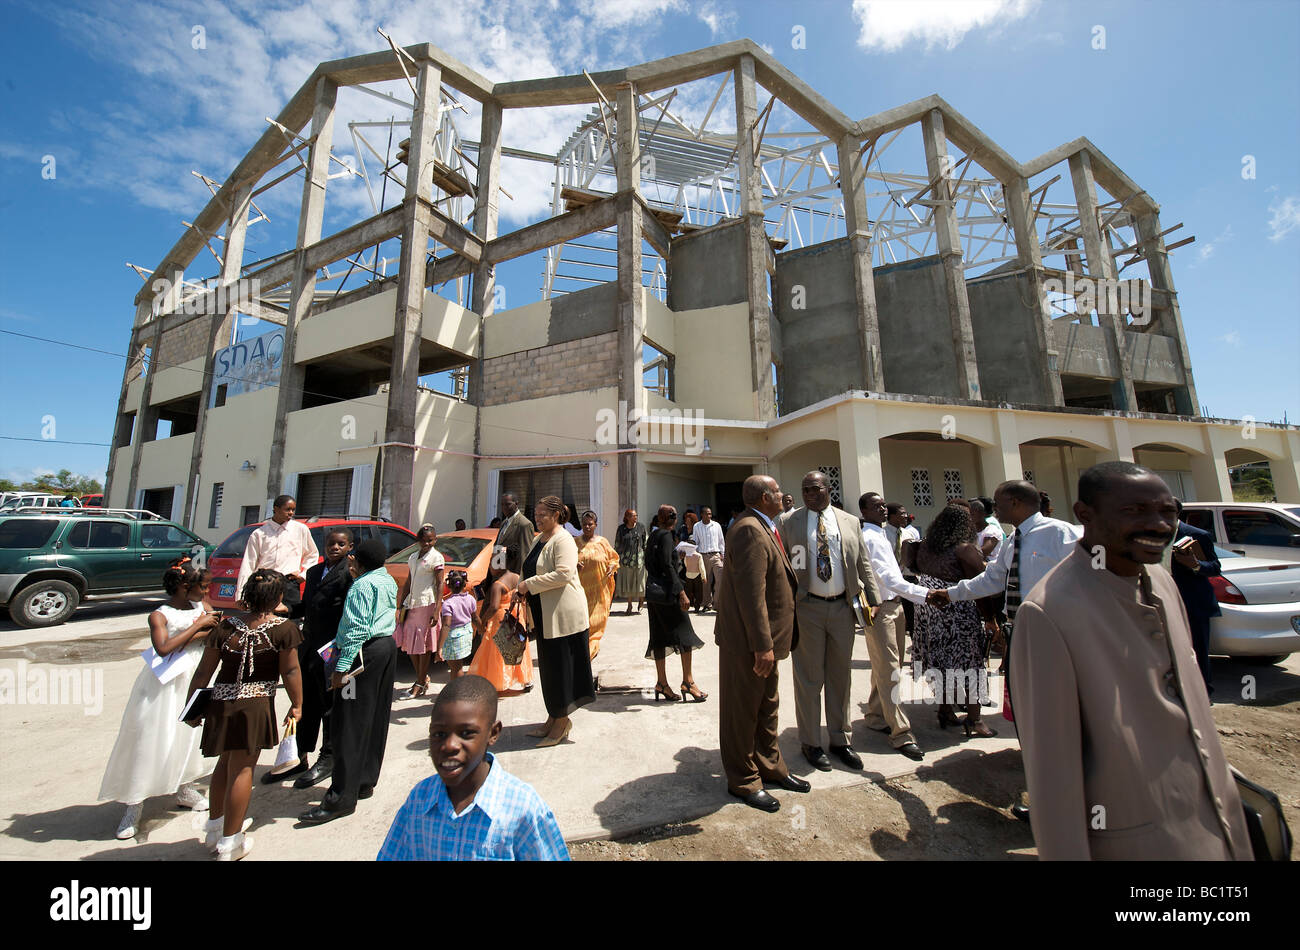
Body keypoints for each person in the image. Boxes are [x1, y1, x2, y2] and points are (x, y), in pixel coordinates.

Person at [1012, 462, 1251, 860]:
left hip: (1217, 828)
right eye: (1135, 511)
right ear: (1084, 514)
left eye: (1167, 512)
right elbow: (1053, 772)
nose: (1158, 525)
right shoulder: (1048, 612)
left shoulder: (1161, 580)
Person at [928, 479, 1082, 821]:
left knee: (1061, 717)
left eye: (998, 503)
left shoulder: (1060, 534)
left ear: (1015, 502)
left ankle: (1073, 797)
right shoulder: (1015, 540)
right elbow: (992, 580)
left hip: (1058, 636)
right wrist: (951, 594)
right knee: (1033, 715)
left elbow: (1087, 580)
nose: (992, 510)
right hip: (1024, 635)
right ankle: (1046, 792)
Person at [377, 675, 569, 860]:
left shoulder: (523, 809)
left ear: (493, 733)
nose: (450, 745)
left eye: (467, 733)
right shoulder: (420, 800)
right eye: (439, 734)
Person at [186, 569, 303, 860]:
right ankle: (230, 842)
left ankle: (215, 827)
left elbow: (203, 672)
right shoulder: (283, 629)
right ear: (277, 598)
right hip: (254, 706)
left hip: (221, 704)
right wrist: (297, 703)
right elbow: (290, 670)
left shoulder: (225, 627)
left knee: (224, 765)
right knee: (242, 770)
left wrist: (191, 706)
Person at [100, 560, 220, 839]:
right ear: (182, 588)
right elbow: (164, 647)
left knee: (187, 734)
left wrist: (205, 627)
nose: (206, 593)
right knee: (150, 737)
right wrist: (198, 627)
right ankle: (134, 803)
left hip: (194, 675)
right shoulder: (160, 614)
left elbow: (212, 630)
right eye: (201, 588)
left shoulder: (202, 607)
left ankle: (185, 786)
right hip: (163, 683)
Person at [714, 474, 809, 813]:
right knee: (742, 711)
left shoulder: (763, 524)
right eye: (778, 490)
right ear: (764, 497)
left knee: (767, 706)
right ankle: (743, 779)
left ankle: (770, 766)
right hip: (749, 643)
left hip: (765, 641)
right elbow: (750, 595)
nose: (784, 494)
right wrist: (761, 645)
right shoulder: (750, 530)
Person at [780, 473, 881, 772]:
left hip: (842, 608)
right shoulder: (789, 522)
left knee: (840, 676)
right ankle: (811, 742)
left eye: (816, 489)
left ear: (828, 489)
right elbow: (785, 564)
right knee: (809, 679)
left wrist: (873, 599)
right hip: (807, 608)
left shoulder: (849, 521)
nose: (810, 494)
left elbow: (863, 561)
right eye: (805, 489)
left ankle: (841, 739)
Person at [299, 539, 398, 825]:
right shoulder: (385, 579)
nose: (349, 560)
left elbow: (355, 631)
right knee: (374, 716)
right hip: (385, 649)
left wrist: (341, 670)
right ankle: (364, 780)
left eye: (352, 557)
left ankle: (340, 797)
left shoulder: (361, 587)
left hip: (361, 656)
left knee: (349, 722)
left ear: (358, 560)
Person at [265, 528, 353, 787]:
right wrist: (288, 609)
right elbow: (308, 605)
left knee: (330, 705)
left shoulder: (349, 574)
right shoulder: (314, 573)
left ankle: (328, 757)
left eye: (341, 544)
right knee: (304, 702)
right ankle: (298, 755)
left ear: (350, 547)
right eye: (330, 543)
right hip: (309, 645)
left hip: (332, 648)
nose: (334, 547)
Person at [910, 505, 999, 737]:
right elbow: (980, 588)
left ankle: (945, 711)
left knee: (940, 662)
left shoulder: (926, 546)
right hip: (955, 612)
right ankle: (975, 719)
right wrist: (990, 619)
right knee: (970, 663)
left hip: (928, 612)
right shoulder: (964, 550)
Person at [516, 495, 594, 747]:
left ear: (557, 515)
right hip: (544, 614)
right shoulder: (540, 538)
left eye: (542, 515)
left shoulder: (564, 540)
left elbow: (563, 574)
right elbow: (530, 566)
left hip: (563, 617)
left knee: (561, 670)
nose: (537, 519)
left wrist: (528, 585)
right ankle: (554, 717)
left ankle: (562, 723)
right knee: (550, 670)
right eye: (536, 515)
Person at [859, 493, 933, 759]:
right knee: (889, 666)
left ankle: (877, 714)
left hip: (896, 605)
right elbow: (887, 577)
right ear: (864, 511)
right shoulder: (868, 537)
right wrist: (923, 594)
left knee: (890, 663)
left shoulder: (880, 534)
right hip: (881, 609)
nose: (882, 509)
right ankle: (900, 732)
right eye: (876, 506)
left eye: (882, 505)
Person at [643, 505, 706, 702]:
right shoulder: (668, 536)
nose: (673, 518)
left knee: (659, 637)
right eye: (672, 515)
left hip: (653, 594)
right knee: (685, 635)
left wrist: (674, 559)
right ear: (667, 519)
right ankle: (688, 682)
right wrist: (681, 592)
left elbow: (652, 562)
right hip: (668, 594)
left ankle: (662, 683)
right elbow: (668, 566)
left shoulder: (653, 536)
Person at [1169, 497, 1222, 694]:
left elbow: (1215, 568)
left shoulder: (1196, 535)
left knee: (1198, 650)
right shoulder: (1152, 537)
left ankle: (1203, 692)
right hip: (1164, 601)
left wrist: (1195, 565)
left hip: (1193, 603)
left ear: (1176, 513)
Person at [236, 495, 317, 614]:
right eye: (287, 509)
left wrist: (302, 574)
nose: (290, 513)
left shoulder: (300, 529)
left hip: (289, 584)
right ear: (276, 509)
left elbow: (312, 554)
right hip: (265, 585)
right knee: (263, 620)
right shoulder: (260, 534)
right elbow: (248, 564)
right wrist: (241, 596)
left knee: (289, 622)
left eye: (293, 510)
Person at [468, 547, 534, 694]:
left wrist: (482, 620)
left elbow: (493, 607)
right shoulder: (517, 577)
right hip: (517, 615)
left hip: (500, 618)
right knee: (517, 646)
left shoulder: (497, 585)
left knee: (497, 651)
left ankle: (497, 680)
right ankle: (526, 679)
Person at [395, 524, 445, 700]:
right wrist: (401, 603)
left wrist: (437, 609)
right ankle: (422, 678)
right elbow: (409, 580)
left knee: (423, 646)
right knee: (410, 643)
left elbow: (440, 584)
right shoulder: (413, 557)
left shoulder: (436, 558)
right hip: (412, 604)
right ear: (418, 541)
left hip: (427, 603)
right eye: (424, 541)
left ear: (435, 540)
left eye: (431, 540)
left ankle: (419, 682)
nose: (427, 544)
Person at [575, 511, 620, 660]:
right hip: (581, 591)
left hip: (600, 591)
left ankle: (589, 651)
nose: (587, 527)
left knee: (596, 624)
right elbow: (566, 561)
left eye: (590, 524)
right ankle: (583, 648)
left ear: (596, 525)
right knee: (583, 623)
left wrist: (612, 566)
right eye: (585, 524)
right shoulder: (575, 542)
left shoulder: (602, 542)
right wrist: (574, 564)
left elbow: (614, 558)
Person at [438, 571, 477, 679]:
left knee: (456, 668)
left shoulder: (448, 604)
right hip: (466, 635)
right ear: (465, 584)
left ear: (448, 585)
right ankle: (457, 690)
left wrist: (439, 647)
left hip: (454, 638)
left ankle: (457, 692)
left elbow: (446, 625)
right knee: (457, 666)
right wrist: (482, 628)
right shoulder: (471, 599)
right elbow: (475, 618)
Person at [690, 506, 726, 612]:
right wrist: (693, 554)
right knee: (705, 582)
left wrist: (722, 554)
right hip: (703, 555)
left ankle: (717, 603)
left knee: (720, 579)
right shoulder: (697, 526)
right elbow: (695, 541)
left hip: (716, 555)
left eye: (710, 514)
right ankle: (707, 604)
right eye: (707, 514)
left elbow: (721, 541)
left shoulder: (716, 525)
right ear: (702, 514)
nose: (709, 516)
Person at [613, 508, 647, 614]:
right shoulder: (621, 529)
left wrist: (647, 556)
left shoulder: (641, 527)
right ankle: (629, 605)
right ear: (627, 517)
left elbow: (645, 542)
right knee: (629, 584)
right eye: (633, 515)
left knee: (640, 583)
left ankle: (641, 601)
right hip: (626, 561)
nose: (635, 517)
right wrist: (616, 558)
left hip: (640, 560)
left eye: (636, 515)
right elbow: (617, 544)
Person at [494, 493, 535, 575]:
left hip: (511, 577)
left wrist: (518, 580)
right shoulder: (504, 523)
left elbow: (524, 555)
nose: (504, 507)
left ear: (516, 504)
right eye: (502, 505)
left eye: (508, 504)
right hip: (498, 572)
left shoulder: (524, 524)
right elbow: (498, 547)